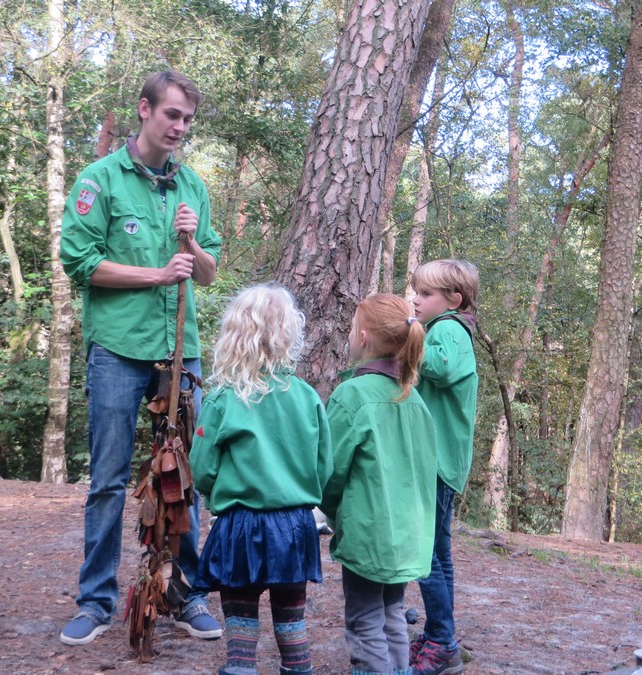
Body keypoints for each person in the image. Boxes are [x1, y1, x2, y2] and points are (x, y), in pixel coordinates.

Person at [58, 70, 223, 646]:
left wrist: (193, 243)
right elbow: (79, 263)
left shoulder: (192, 186)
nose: (179, 127)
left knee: (183, 477)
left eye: (187, 119)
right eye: (172, 114)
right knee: (107, 479)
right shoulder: (99, 180)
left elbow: (208, 272)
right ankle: (95, 601)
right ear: (145, 109)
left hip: (180, 352)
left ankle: (186, 595)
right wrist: (157, 274)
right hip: (118, 349)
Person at [190, 284, 333, 675]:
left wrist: (216, 496)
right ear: (289, 334)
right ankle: (297, 668)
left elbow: (202, 468)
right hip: (295, 527)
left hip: (242, 526)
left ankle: (241, 667)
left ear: (235, 334)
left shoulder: (224, 399)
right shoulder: (306, 396)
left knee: (241, 617)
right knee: (291, 619)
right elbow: (324, 466)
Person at [320, 294, 437, 675]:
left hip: (369, 534)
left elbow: (329, 471)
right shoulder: (414, 399)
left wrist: (330, 511)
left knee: (365, 620)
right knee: (392, 614)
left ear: (363, 337)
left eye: (353, 328)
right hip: (407, 536)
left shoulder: (352, 395)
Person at [407, 259, 479, 675]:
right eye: (416, 292)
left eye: (426, 294)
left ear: (454, 299)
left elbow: (440, 368)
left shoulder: (447, 329)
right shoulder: (449, 328)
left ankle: (442, 643)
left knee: (425, 554)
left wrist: (406, 334)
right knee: (439, 554)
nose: (416, 300)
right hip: (442, 461)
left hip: (435, 462)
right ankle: (441, 634)